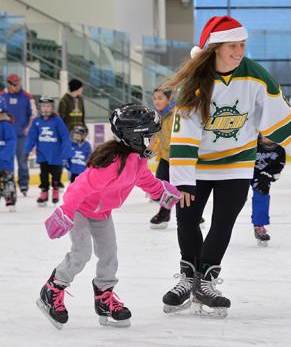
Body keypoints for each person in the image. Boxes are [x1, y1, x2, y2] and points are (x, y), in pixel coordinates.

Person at [160, 15, 291, 318]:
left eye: (242, 44)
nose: (239, 51)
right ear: (215, 48)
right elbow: (182, 133)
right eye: (233, 45)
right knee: (187, 219)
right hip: (196, 165)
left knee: (223, 223)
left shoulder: (256, 76)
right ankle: (188, 277)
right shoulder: (195, 82)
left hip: (236, 164)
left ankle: (205, 282)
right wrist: (182, 179)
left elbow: (279, 117)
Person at [36, 104, 181, 329]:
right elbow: (78, 187)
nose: (154, 141)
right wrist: (65, 212)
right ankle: (53, 288)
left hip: (102, 213)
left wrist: (167, 196)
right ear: (135, 137)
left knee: (109, 254)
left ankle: (104, 297)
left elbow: (147, 182)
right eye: (150, 136)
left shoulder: (137, 161)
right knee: (81, 254)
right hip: (80, 210)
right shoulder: (111, 163)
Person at [24, 96, 72, 205]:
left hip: (56, 154)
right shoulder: (37, 121)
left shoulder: (57, 121)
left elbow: (64, 136)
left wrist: (66, 151)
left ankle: (55, 190)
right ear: (39, 108)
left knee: (56, 174)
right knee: (43, 175)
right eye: (43, 106)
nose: (45, 109)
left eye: (48, 106)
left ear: (52, 108)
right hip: (42, 154)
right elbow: (32, 137)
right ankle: (44, 192)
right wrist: (27, 151)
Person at [0, 74, 34, 195]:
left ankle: (23, 184)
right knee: (4, 161)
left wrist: (28, 128)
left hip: (21, 135)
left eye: (19, 83)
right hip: (4, 136)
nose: (18, 86)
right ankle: (5, 184)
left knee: (22, 161)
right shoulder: (1, 96)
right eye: (15, 84)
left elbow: (32, 114)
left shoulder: (27, 97)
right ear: (8, 84)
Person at [251, 135, 286, 246]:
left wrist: (267, 175)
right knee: (233, 198)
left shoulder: (280, 149)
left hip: (261, 175)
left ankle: (259, 225)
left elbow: (278, 166)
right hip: (243, 172)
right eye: (265, 135)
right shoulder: (251, 144)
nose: (268, 138)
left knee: (262, 194)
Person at [149, 88, 176, 228]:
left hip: (179, 159)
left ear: (169, 100)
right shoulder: (159, 116)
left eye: (160, 98)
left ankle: (164, 213)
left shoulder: (176, 114)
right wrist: (148, 151)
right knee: (162, 186)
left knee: (176, 188)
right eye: (154, 98)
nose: (156, 101)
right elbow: (157, 138)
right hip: (166, 157)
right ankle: (165, 212)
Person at [0, 100, 17, 211]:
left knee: (8, 181)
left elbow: (11, 142)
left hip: (5, 162)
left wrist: (4, 156)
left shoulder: (6, 126)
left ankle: (10, 200)